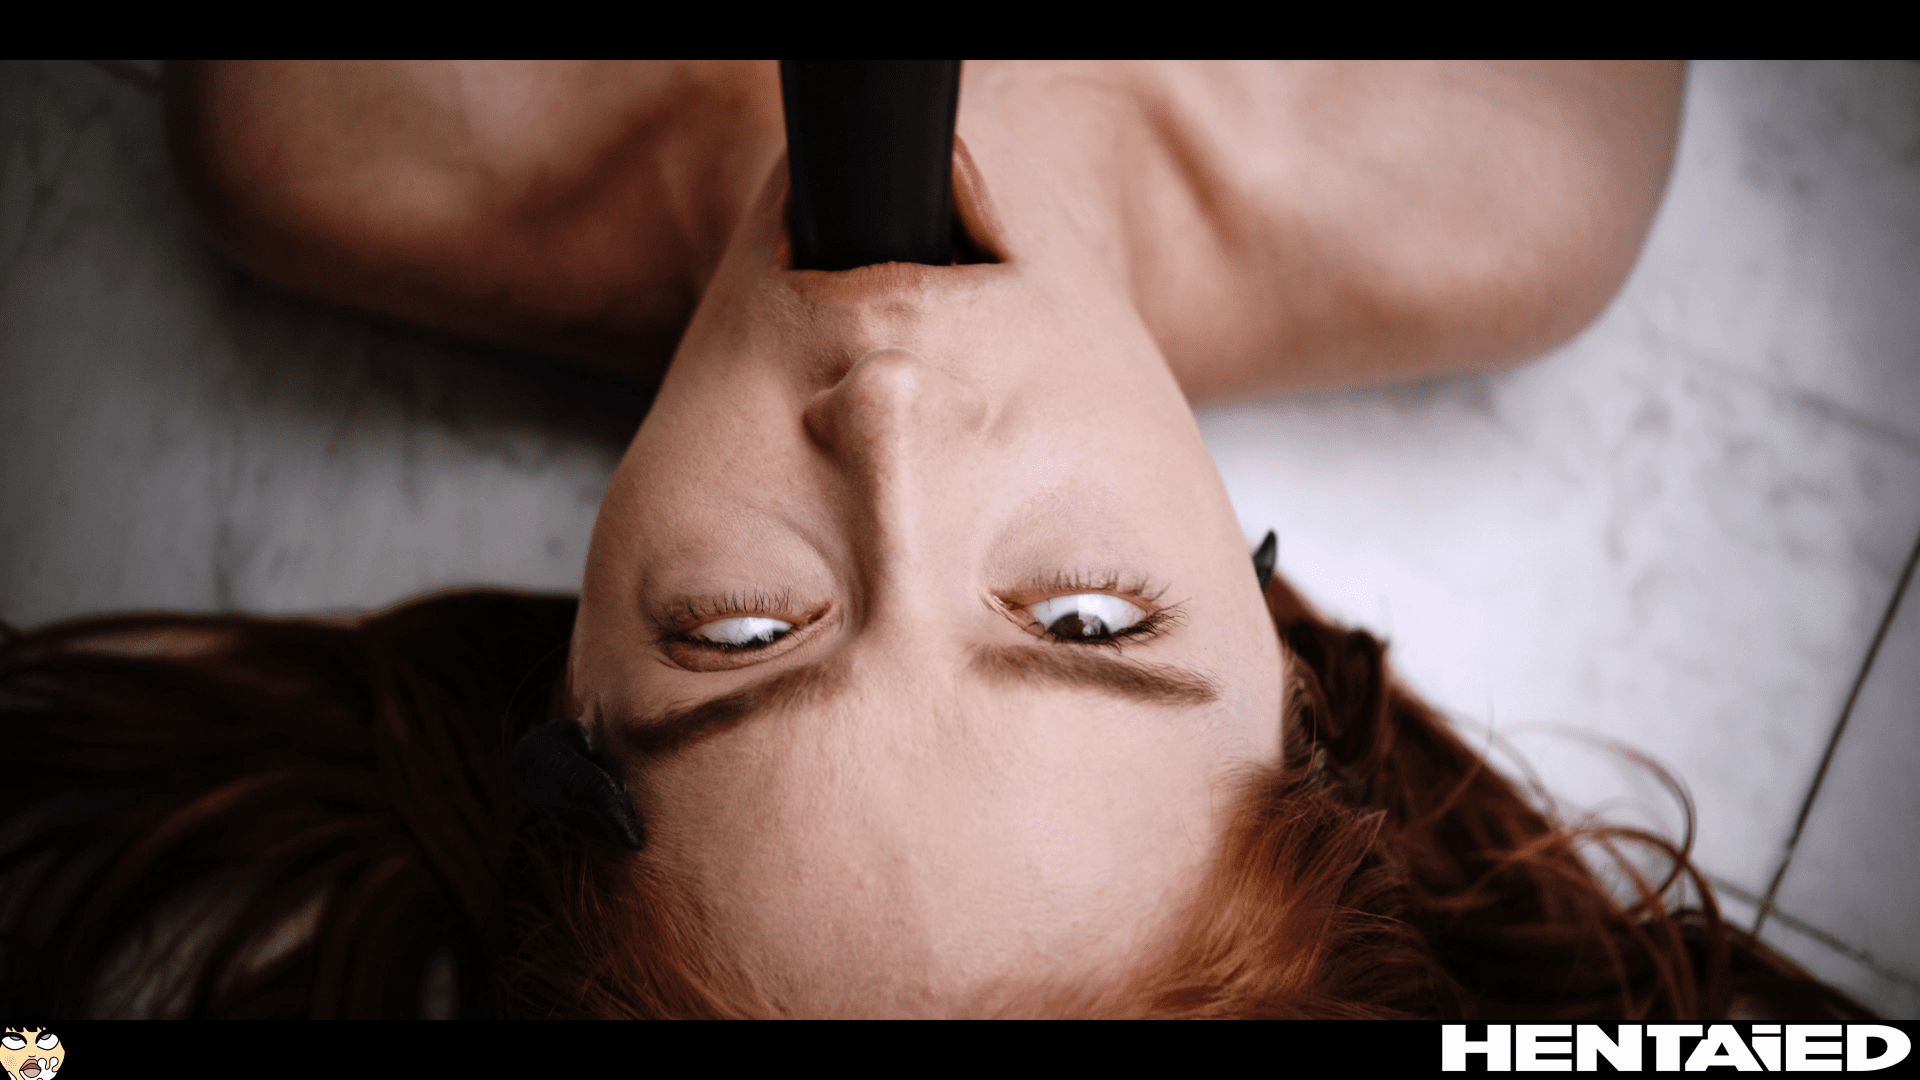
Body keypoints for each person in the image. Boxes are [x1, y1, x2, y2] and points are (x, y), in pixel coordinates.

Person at [0, 61, 1866, 1019]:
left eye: (742, 630)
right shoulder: (1497, 160)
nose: (888, 409)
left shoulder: (339, 119)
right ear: (1288, 667)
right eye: (1085, 617)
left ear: (570, 668)